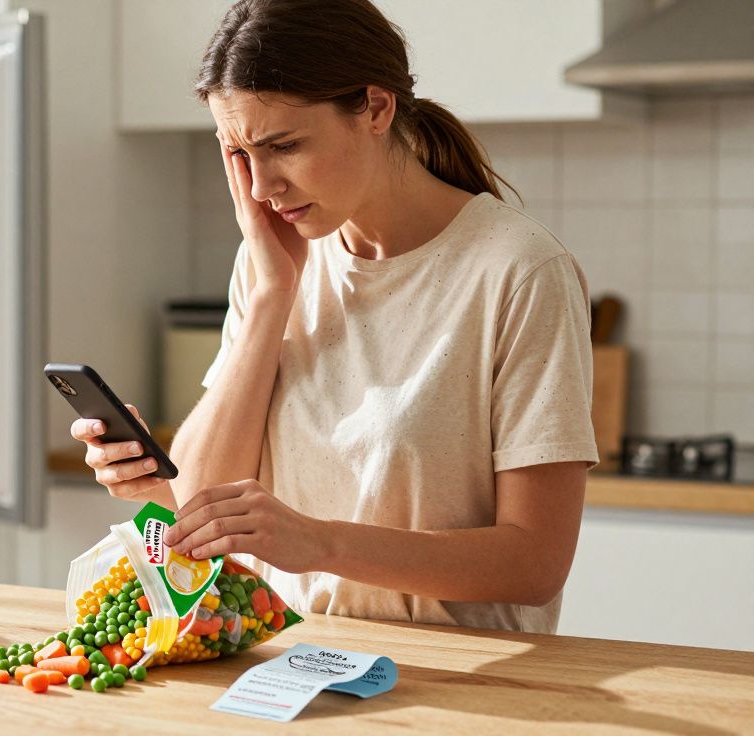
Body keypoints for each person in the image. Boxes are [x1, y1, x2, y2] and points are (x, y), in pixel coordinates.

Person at [70, 0, 598, 634]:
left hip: (461, 685)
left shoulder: (520, 271)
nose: (262, 186)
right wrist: (272, 296)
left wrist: (320, 544)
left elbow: (534, 563)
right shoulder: (274, 261)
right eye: (238, 153)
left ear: (376, 108)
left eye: (284, 146)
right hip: (283, 665)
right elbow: (197, 501)